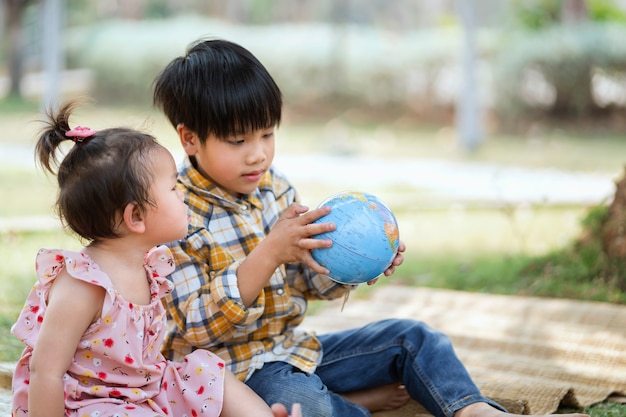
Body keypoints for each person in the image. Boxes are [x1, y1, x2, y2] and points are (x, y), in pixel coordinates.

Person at [152, 38, 589, 417]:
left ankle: (470, 408)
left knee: (413, 339)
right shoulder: (177, 214)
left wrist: (350, 263)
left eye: (267, 134)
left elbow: (305, 283)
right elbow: (196, 327)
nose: (258, 155)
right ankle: (358, 406)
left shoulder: (274, 188)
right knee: (306, 406)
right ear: (190, 139)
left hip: (296, 350)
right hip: (236, 374)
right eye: (238, 141)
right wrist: (267, 253)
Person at [10, 101, 302, 417]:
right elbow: (45, 371)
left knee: (209, 374)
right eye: (174, 188)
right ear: (135, 216)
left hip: (144, 390)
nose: (182, 195)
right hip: (90, 405)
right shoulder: (84, 283)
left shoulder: (150, 265)